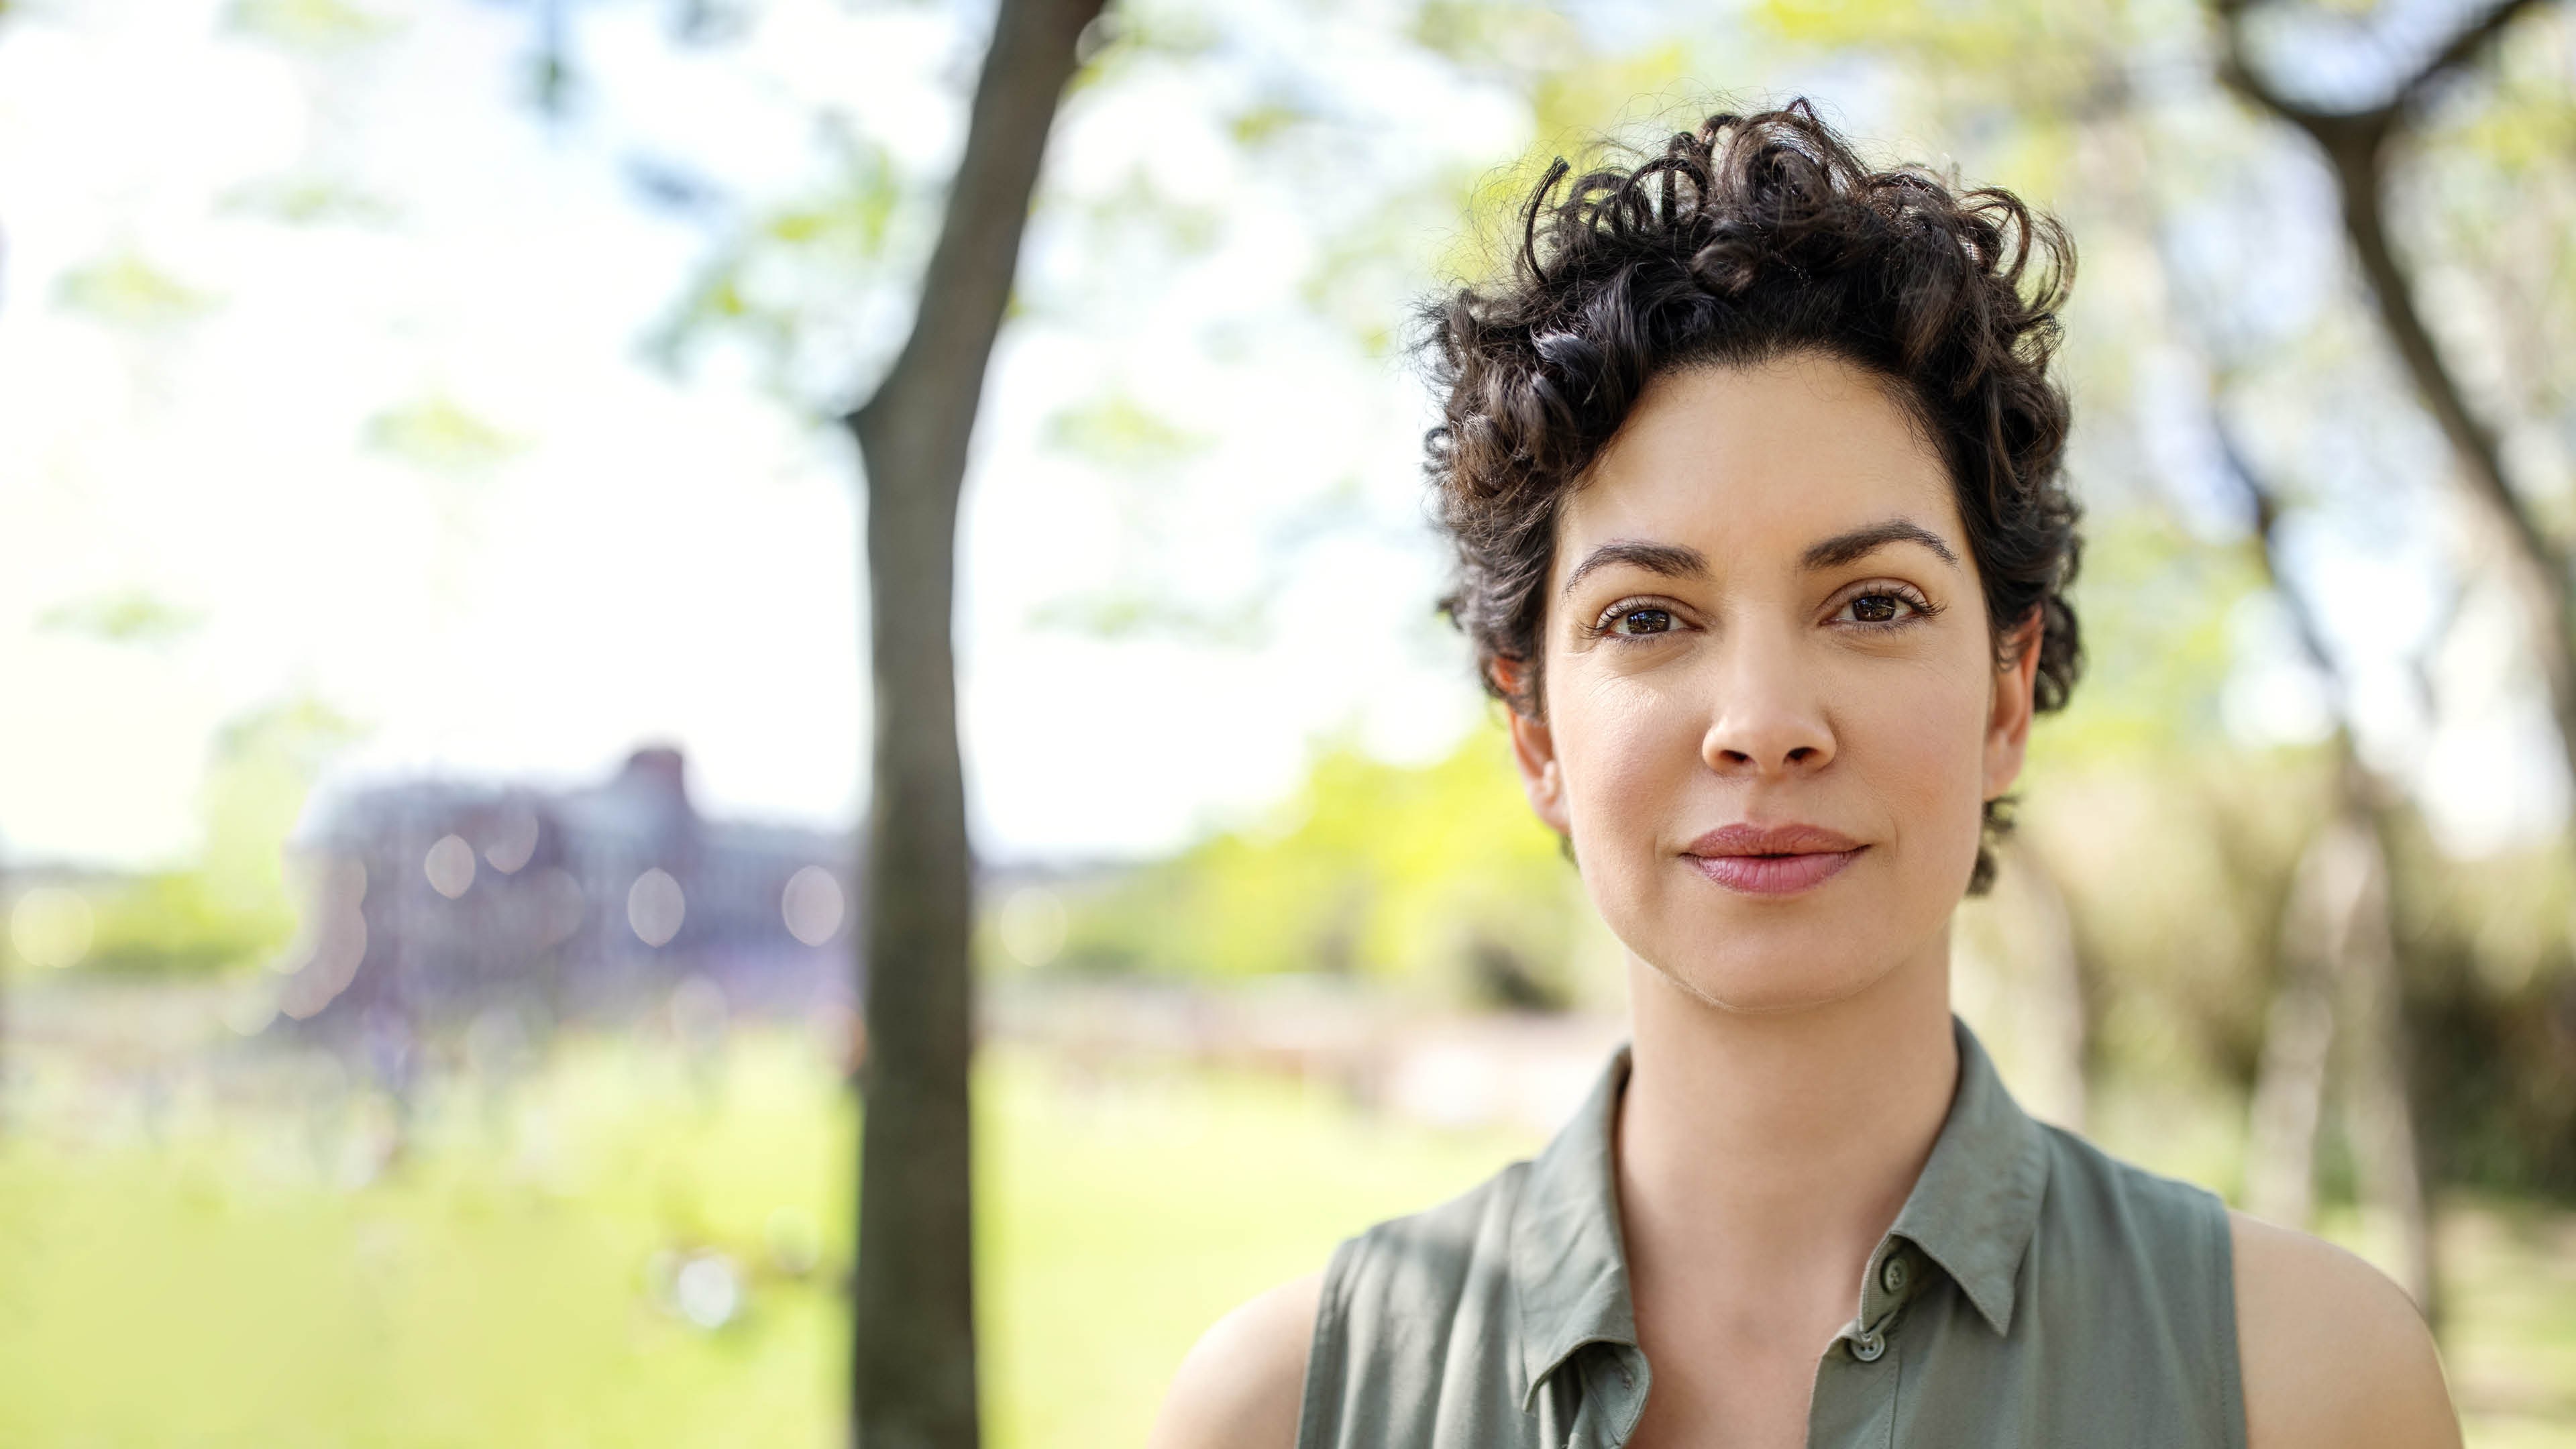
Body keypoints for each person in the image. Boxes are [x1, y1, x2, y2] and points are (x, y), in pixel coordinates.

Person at [1146, 103, 2460, 1449]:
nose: (1764, 726)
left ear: (2007, 695)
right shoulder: (1283, 1406)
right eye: (1648, 616)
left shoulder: (2307, 1381)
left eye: (1874, 603)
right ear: (1535, 732)